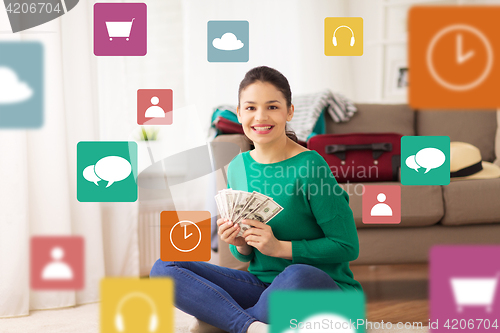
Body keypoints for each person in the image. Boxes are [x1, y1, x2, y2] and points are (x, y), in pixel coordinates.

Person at [150, 66, 362, 333]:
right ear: (239, 113)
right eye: (250, 108)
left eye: (272, 107)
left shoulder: (311, 166)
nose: (260, 117)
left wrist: (280, 248)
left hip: (320, 287)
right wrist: (240, 243)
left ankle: (225, 320)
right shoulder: (238, 165)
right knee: (164, 268)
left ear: (289, 112)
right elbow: (246, 251)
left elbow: (346, 246)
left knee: (298, 274)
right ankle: (251, 326)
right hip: (264, 288)